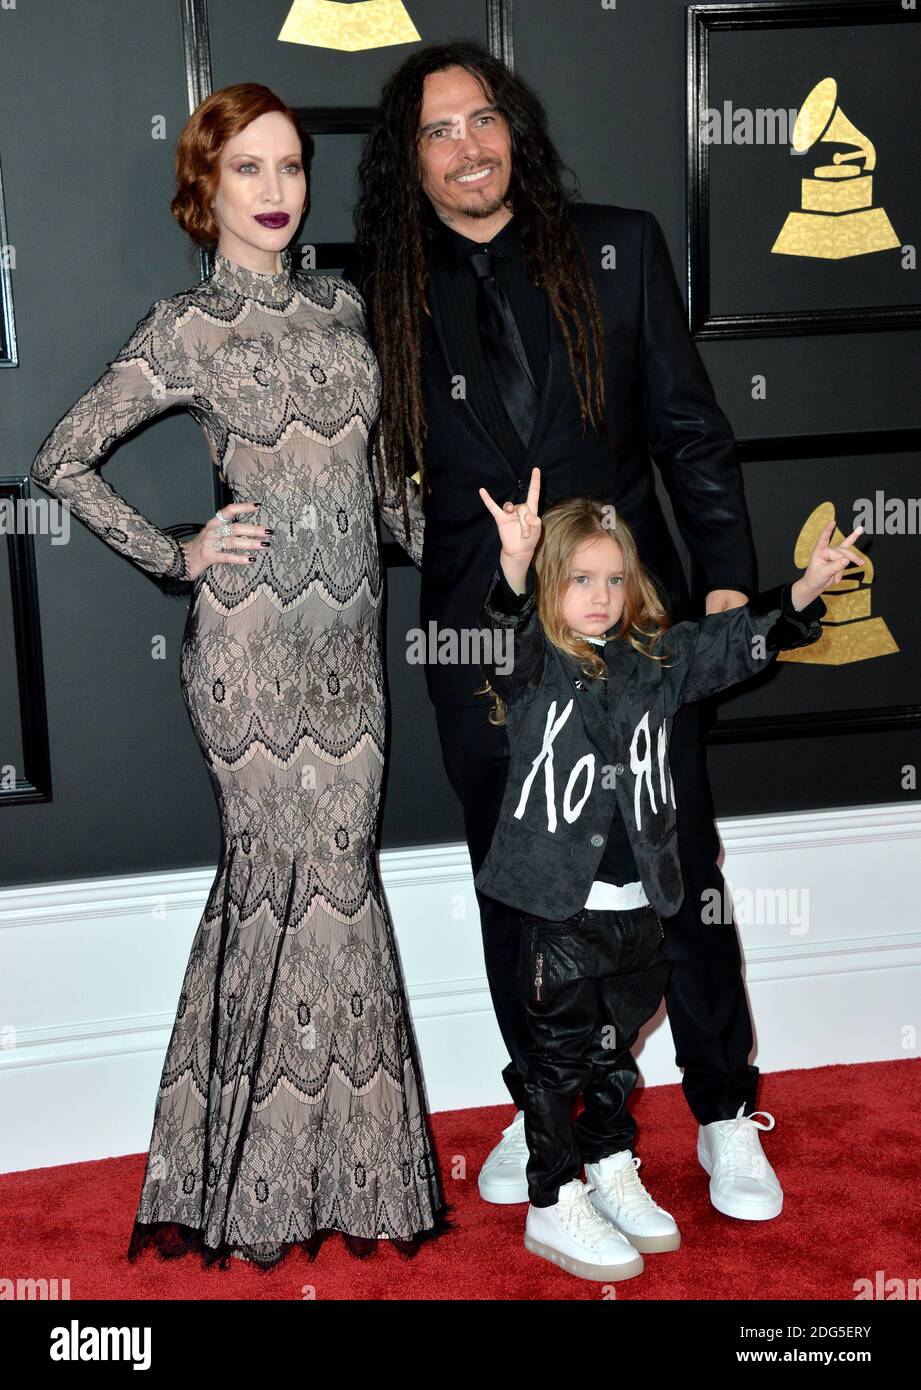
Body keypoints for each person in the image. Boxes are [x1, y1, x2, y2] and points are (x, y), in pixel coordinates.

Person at [346, 38, 790, 1216]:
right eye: (437, 131)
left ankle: (722, 1106)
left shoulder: (622, 247)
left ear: (516, 131)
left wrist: (730, 586)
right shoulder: (382, 296)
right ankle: (552, 1105)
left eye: (482, 119)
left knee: (676, 873)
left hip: (628, 628)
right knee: (525, 891)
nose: (466, 146)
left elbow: (692, 434)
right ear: (410, 162)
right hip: (482, 644)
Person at [29, 82, 450, 1270]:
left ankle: (343, 1176)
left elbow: (381, 497)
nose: (277, 193)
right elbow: (61, 458)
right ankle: (248, 1186)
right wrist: (180, 552)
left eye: (292, 168)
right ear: (205, 189)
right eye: (249, 171)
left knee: (342, 888)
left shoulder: (345, 309)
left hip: (348, 655)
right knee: (281, 886)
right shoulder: (185, 331)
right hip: (252, 656)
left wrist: (479, 547)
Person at [473, 468, 861, 1281]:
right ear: (551, 584)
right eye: (580, 579)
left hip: (638, 909)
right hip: (556, 910)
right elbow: (503, 633)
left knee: (614, 1053)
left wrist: (801, 592)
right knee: (555, 1061)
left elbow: (730, 644)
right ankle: (552, 1200)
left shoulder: (656, 659)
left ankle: (610, 1167)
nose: (600, 596)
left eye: (614, 580)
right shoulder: (534, 665)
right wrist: (511, 571)